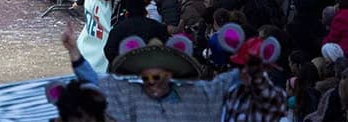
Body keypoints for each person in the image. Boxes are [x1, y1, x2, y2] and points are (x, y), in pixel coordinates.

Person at [60, 24, 240, 119]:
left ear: (169, 75)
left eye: (156, 77)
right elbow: (96, 83)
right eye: (145, 78)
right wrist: (74, 50)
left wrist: (249, 61)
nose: (151, 82)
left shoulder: (193, 94)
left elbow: (224, 84)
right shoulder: (131, 94)